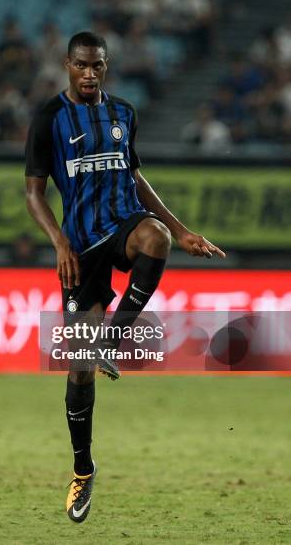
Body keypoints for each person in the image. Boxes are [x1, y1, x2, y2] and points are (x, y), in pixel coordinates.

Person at [25, 31, 225, 524]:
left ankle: (116, 335)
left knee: (154, 237)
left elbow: (133, 176)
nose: (90, 74)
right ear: (67, 66)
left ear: (106, 66)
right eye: (81, 66)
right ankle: (82, 469)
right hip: (80, 248)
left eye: (98, 66)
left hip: (123, 225)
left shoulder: (123, 114)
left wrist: (179, 230)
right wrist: (59, 243)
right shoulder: (49, 118)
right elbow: (33, 193)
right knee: (79, 369)